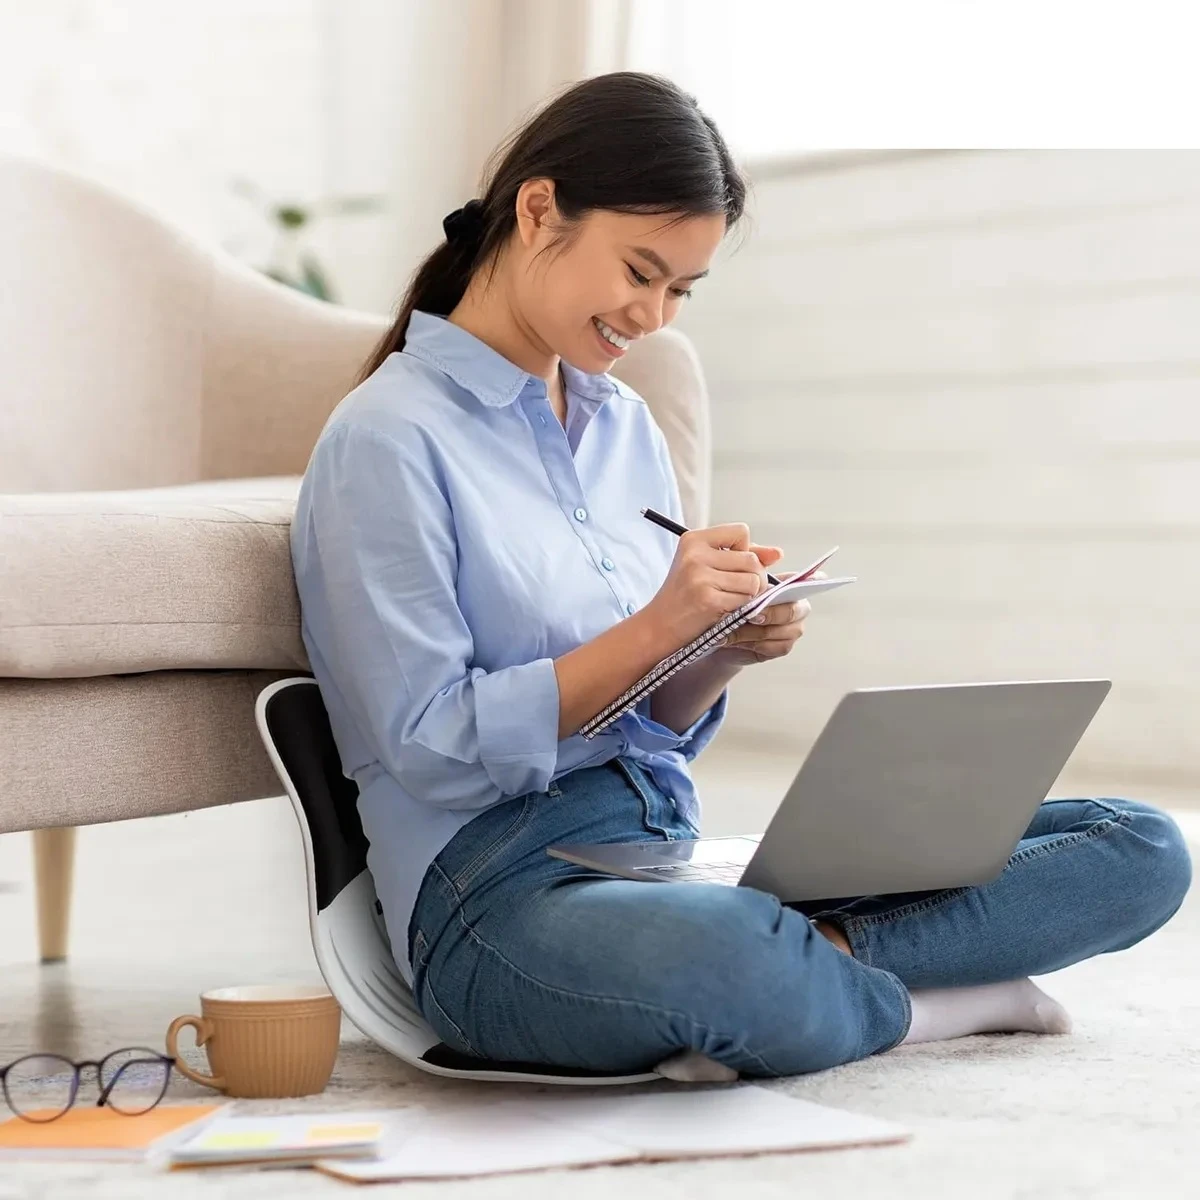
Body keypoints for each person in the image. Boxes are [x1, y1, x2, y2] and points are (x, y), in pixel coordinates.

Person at [290, 72, 1192, 1079]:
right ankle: (922, 999)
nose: (654, 316)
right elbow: (430, 747)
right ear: (538, 210)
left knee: (1140, 846)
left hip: (664, 853)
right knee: (728, 958)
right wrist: (656, 626)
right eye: (642, 271)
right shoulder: (387, 440)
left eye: (681, 289)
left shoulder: (623, 426)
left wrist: (716, 648)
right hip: (497, 898)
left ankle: (818, 970)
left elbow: (646, 720)